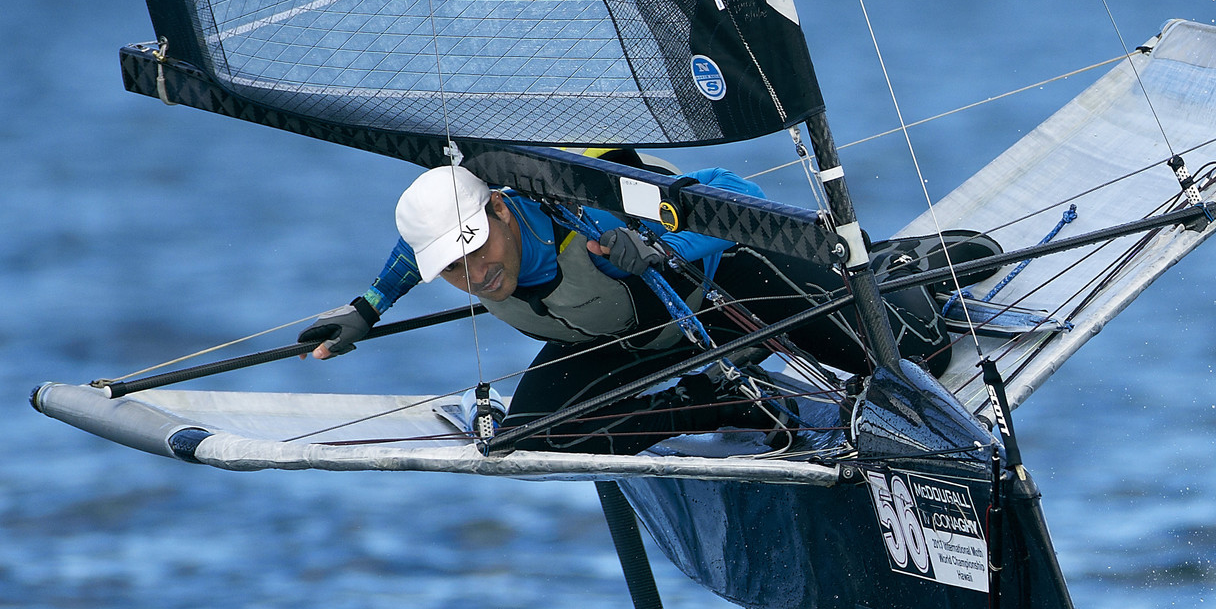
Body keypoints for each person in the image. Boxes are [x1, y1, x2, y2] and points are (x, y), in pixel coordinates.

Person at [298, 156, 906, 455]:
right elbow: (414, 254)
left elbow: (737, 192)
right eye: (453, 268)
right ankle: (713, 404)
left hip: (734, 296)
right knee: (530, 444)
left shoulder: (583, 211)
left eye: (478, 249)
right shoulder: (453, 254)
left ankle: (905, 276)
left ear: (501, 209)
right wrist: (367, 309)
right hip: (634, 342)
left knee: (908, 362)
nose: (476, 275)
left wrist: (660, 247)